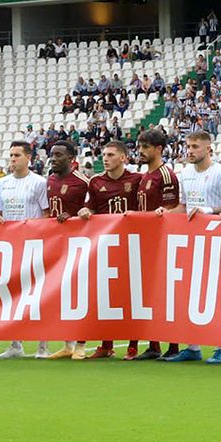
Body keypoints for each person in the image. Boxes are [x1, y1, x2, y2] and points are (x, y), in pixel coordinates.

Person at [73, 140, 141, 360]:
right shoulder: (96, 182)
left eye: (111, 155)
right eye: (104, 154)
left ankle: (133, 344)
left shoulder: (136, 180)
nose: (106, 158)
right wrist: (85, 210)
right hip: (104, 246)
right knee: (105, 295)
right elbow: (91, 206)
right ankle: (106, 344)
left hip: (131, 245)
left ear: (123, 158)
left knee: (131, 296)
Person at [174, 129, 221, 364]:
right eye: (188, 146)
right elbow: (183, 206)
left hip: (217, 240)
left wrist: (208, 212)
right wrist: (164, 213)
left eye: (195, 147)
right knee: (190, 292)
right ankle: (192, 346)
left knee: (216, 293)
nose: (190, 151)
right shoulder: (186, 173)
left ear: (208, 149)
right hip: (192, 242)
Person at [0, 141, 50, 360]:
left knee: (39, 294)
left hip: (34, 245)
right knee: (13, 293)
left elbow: (47, 213)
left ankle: (43, 346)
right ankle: (15, 343)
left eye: (17, 155)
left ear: (28, 158)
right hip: (10, 246)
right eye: (11, 155)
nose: (13, 159)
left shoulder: (39, 183)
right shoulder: (1, 184)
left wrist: (34, 230)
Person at [130, 127, 181, 362]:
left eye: (145, 147)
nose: (141, 151)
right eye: (140, 146)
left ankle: (173, 345)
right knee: (148, 294)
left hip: (161, 242)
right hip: (145, 241)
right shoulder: (144, 177)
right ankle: (153, 344)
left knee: (164, 293)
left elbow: (172, 209)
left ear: (158, 149)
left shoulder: (166, 175)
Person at [44, 139, 89, 359]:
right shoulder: (50, 180)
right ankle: (68, 343)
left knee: (80, 292)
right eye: (52, 154)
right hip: (56, 243)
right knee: (61, 294)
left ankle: (81, 344)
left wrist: (72, 219)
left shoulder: (82, 182)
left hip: (79, 243)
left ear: (71, 158)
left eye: (59, 154)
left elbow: (90, 211)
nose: (54, 158)